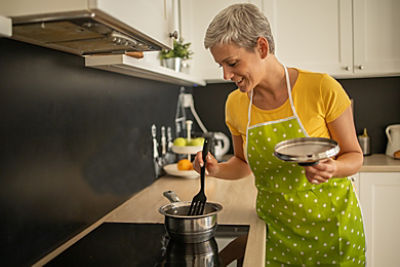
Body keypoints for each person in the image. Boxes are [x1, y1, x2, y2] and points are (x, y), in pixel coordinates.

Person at [193, 3, 366, 266]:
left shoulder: (321, 88)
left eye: (232, 63)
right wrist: (216, 170)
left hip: (334, 231)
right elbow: (242, 164)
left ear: (261, 47)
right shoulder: (236, 104)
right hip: (275, 232)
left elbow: (354, 156)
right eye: (221, 66)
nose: (226, 75)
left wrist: (334, 168)